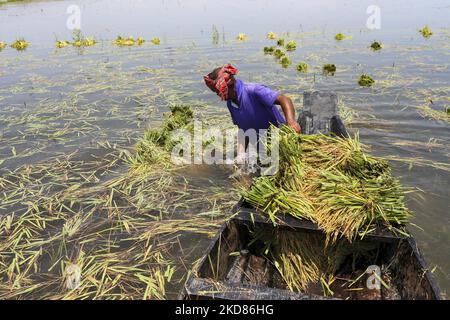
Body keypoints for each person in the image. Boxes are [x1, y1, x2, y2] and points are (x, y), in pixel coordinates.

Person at [204, 64, 301, 162]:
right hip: (263, 150)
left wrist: (291, 122)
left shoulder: (254, 90)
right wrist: (240, 155)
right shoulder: (231, 104)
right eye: (218, 93)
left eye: (220, 92)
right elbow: (242, 130)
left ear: (230, 85)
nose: (220, 96)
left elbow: (284, 99)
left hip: (281, 141)